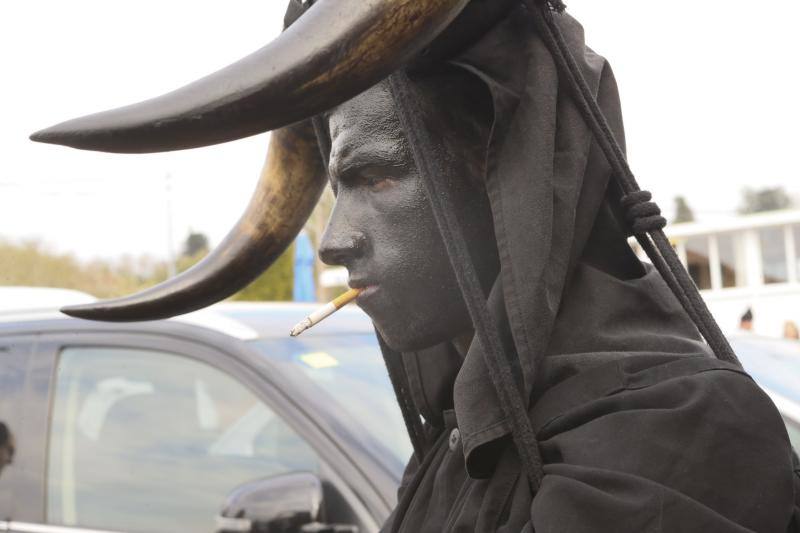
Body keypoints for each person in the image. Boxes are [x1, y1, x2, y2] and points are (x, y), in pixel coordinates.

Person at [30, 0, 799, 530]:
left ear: (502, 180)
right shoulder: (464, 437)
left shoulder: (685, 437)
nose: (331, 240)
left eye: (373, 176)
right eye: (336, 188)